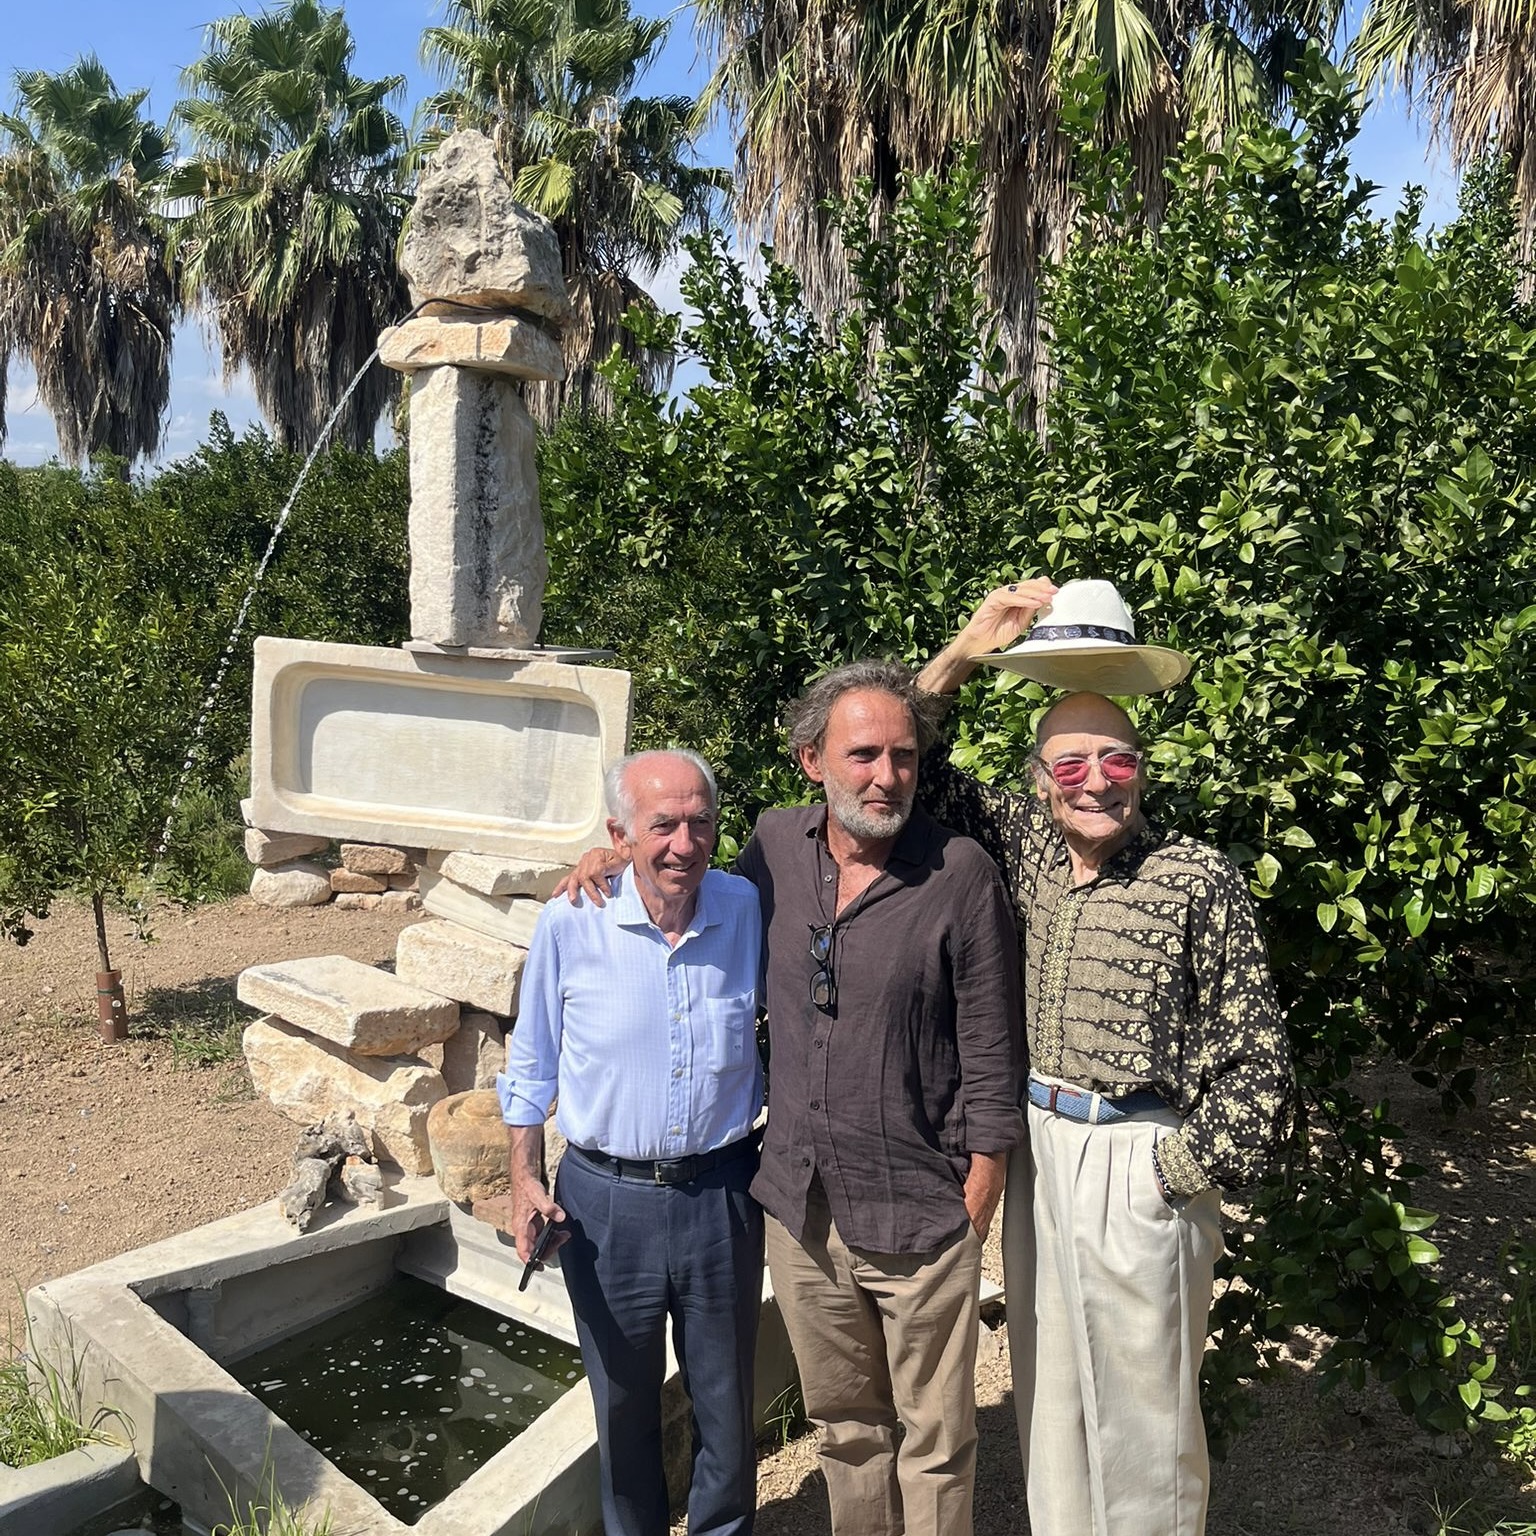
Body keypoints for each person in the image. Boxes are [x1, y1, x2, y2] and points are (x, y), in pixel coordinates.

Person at [565, 660, 1023, 1536]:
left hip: (922, 1207)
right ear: (813, 761)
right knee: (846, 1428)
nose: (886, 776)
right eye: (864, 755)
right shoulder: (775, 850)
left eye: (904, 756)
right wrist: (616, 855)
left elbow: (992, 1045)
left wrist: (981, 1186)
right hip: (801, 1212)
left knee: (935, 1439)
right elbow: (686, 886)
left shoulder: (959, 873)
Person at [916, 578, 1295, 1536]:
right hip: (1038, 1153)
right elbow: (909, 760)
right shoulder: (1027, 851)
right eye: (1072, 762)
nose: (1096, 781)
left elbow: (1259, 1067)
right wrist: (966, 649)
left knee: (1145, 1423)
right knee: (1050, 1403)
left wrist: (1173, 1171)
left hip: (1140, 1158)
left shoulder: (1194, 878)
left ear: (1143, 772)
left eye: (1117, 759)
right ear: (1042, 781)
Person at [490, 748, 765, 1536]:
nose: (685, 844)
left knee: (726, 1406)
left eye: (701, 823)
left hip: (722, 1194)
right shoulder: (571, 921)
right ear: (620, 834)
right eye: (662, 825)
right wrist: (524, 1179)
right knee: (622, 1408)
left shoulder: (746, 907)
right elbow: (531, 1064)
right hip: (605, 1207)